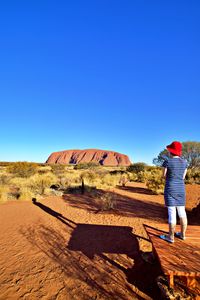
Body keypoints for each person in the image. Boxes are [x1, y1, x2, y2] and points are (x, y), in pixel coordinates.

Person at [160, 141, 188, 243]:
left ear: (170, 151)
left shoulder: (167, 162)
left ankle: (170, 237)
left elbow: (163, 176)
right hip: (181, 189)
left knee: (172, 213)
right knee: (182, 212)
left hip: (170, 189)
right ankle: (182, 235)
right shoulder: (185, 162)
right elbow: (183, 177)